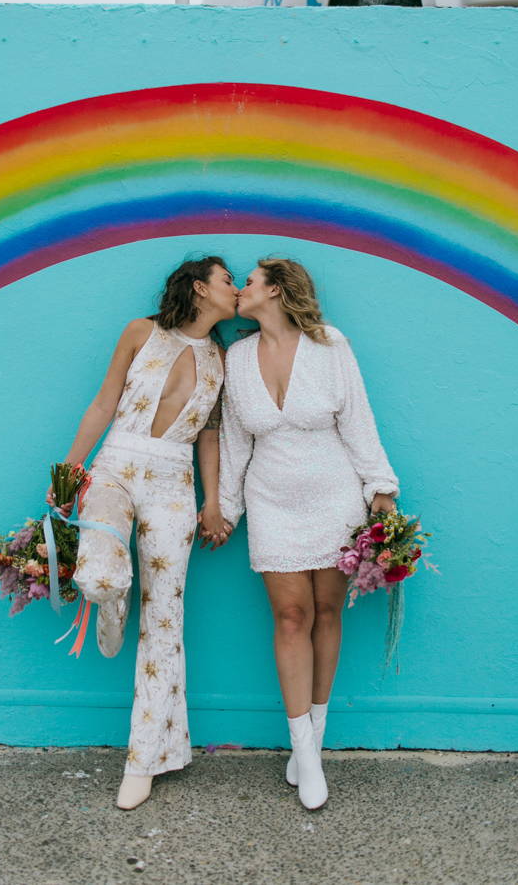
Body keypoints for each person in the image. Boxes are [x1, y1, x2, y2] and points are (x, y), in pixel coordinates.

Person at [48, 256, 236, 810]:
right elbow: (105, 403)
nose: (236, 287)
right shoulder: (140, 331)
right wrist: (69, 472)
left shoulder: (221, 359)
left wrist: (213, 503)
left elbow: (208, 437)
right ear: (200, 287)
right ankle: (110, 596)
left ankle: (144, 758)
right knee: (101, 566)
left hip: (174, 482)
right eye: (229, 280)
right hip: (117, 466)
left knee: (166, 621)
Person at [211, 258, 398, 810]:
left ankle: (312, 744)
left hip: (334, 497)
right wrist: (225, 509)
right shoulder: (238, 358)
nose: (242, 288)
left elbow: (358, 420)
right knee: (290, 617)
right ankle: (304, 750)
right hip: (271, 503)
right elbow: (235, 445)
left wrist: (379, 488)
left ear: (276, 290)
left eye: (249, 281)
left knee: (328, 614)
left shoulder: (329, 345)